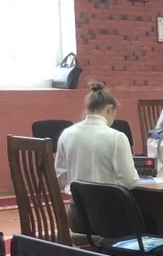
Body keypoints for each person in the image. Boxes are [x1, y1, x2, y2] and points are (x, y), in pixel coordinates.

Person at [54, 82, 139, 232]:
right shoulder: (117, 137)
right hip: (108, 219)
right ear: (110, 109)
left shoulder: (67, 134)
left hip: (77, 217)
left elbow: (61, 177)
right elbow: (129, 181)